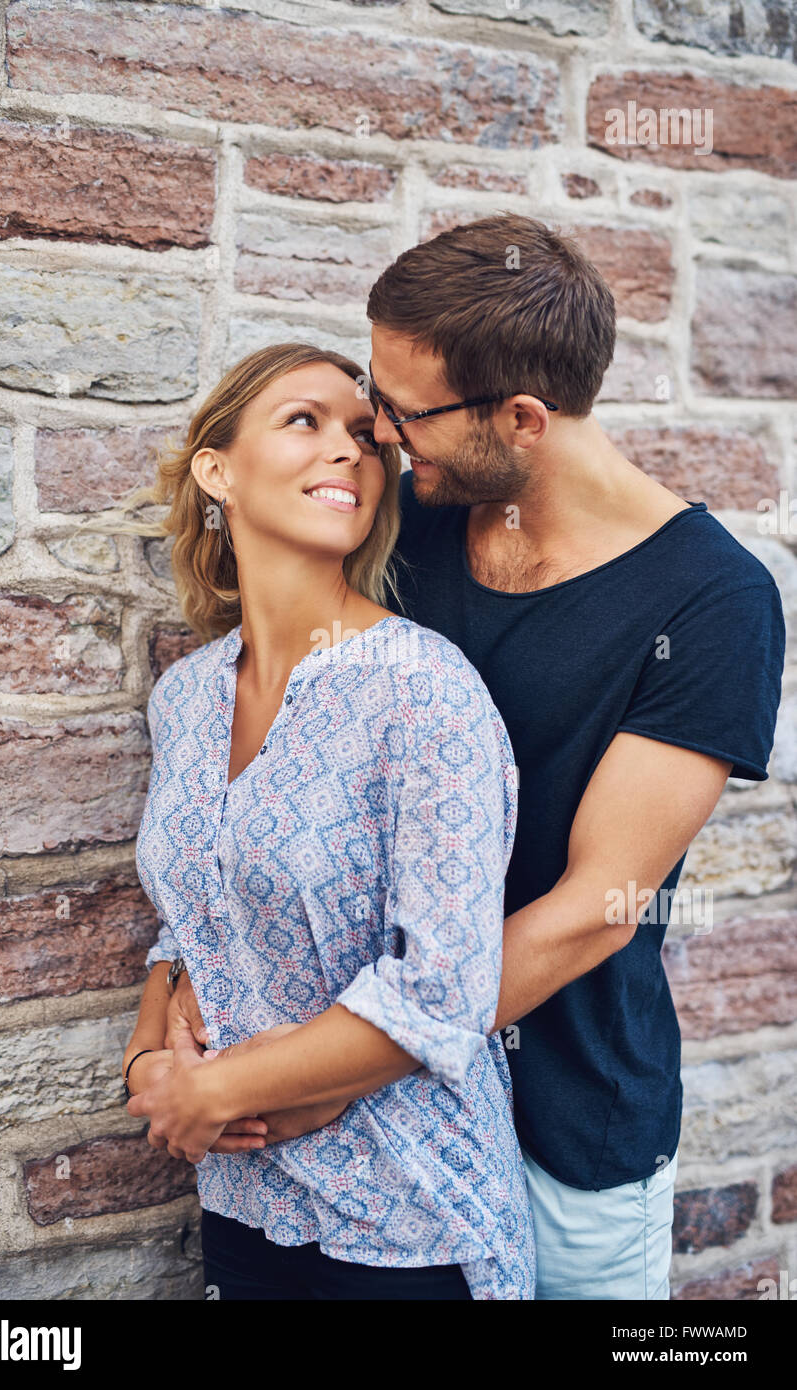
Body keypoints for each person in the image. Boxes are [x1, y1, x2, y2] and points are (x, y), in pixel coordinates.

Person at [164, 212, 786, 1301]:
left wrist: (334, 1064)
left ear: (524, 418)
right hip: (364, 1118)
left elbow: (602, 900)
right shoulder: (413, 522)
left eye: (402, 414)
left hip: (567, 1115)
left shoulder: (714, 601)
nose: (380, 437)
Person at [121, 341, 535, 1300]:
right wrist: (151, 1060)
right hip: (239, 1195)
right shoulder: (184, 698)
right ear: (216, 470)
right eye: (303, 422)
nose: (350, 451)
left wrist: (211, 1091)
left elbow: (445, 989)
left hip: (406, 1212)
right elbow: (187, 912)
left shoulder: (422, 691)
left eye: (363, 434)